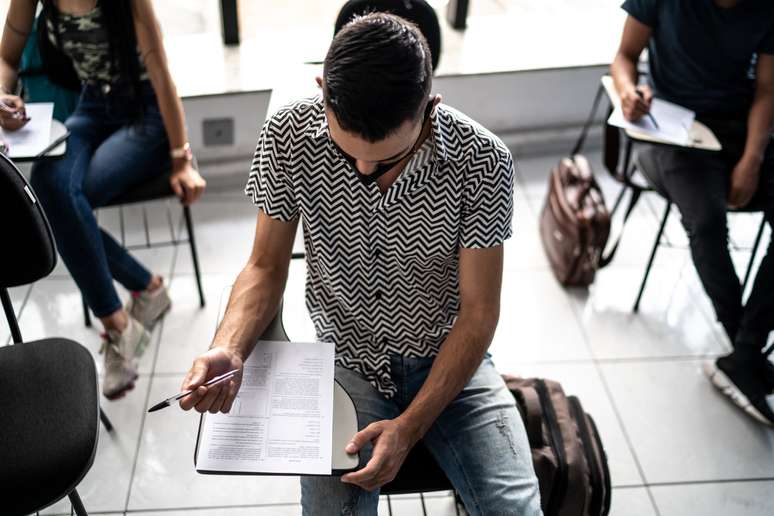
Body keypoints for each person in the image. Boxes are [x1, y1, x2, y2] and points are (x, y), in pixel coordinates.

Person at [179, 13, 542, 516]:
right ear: (323, 90)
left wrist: (410, 427)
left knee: (516, 510)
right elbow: (265, 267)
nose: (366, 171)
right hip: (345, 361)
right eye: (348, 155)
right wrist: (230, 348)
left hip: (450, 359)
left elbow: (480, 314)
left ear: (429, 107)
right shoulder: (287, 134)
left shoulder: (481, 160)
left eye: (388, 159)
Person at [0, 0, 206, 400]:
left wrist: (182, 158)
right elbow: (6, 54)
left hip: (146, 113)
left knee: (62, 202)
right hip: (92, 105)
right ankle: (131, 311)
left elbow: (163, 75)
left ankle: (127, 317)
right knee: (50, 187)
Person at [611, 0, 774, 425]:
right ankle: (747, 350)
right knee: (706, 222)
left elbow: (768, 91)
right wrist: (629, 92)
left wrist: (752, 160)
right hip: (668, 129)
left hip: (740, 129)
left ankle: (743, 353)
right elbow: (625, 56)